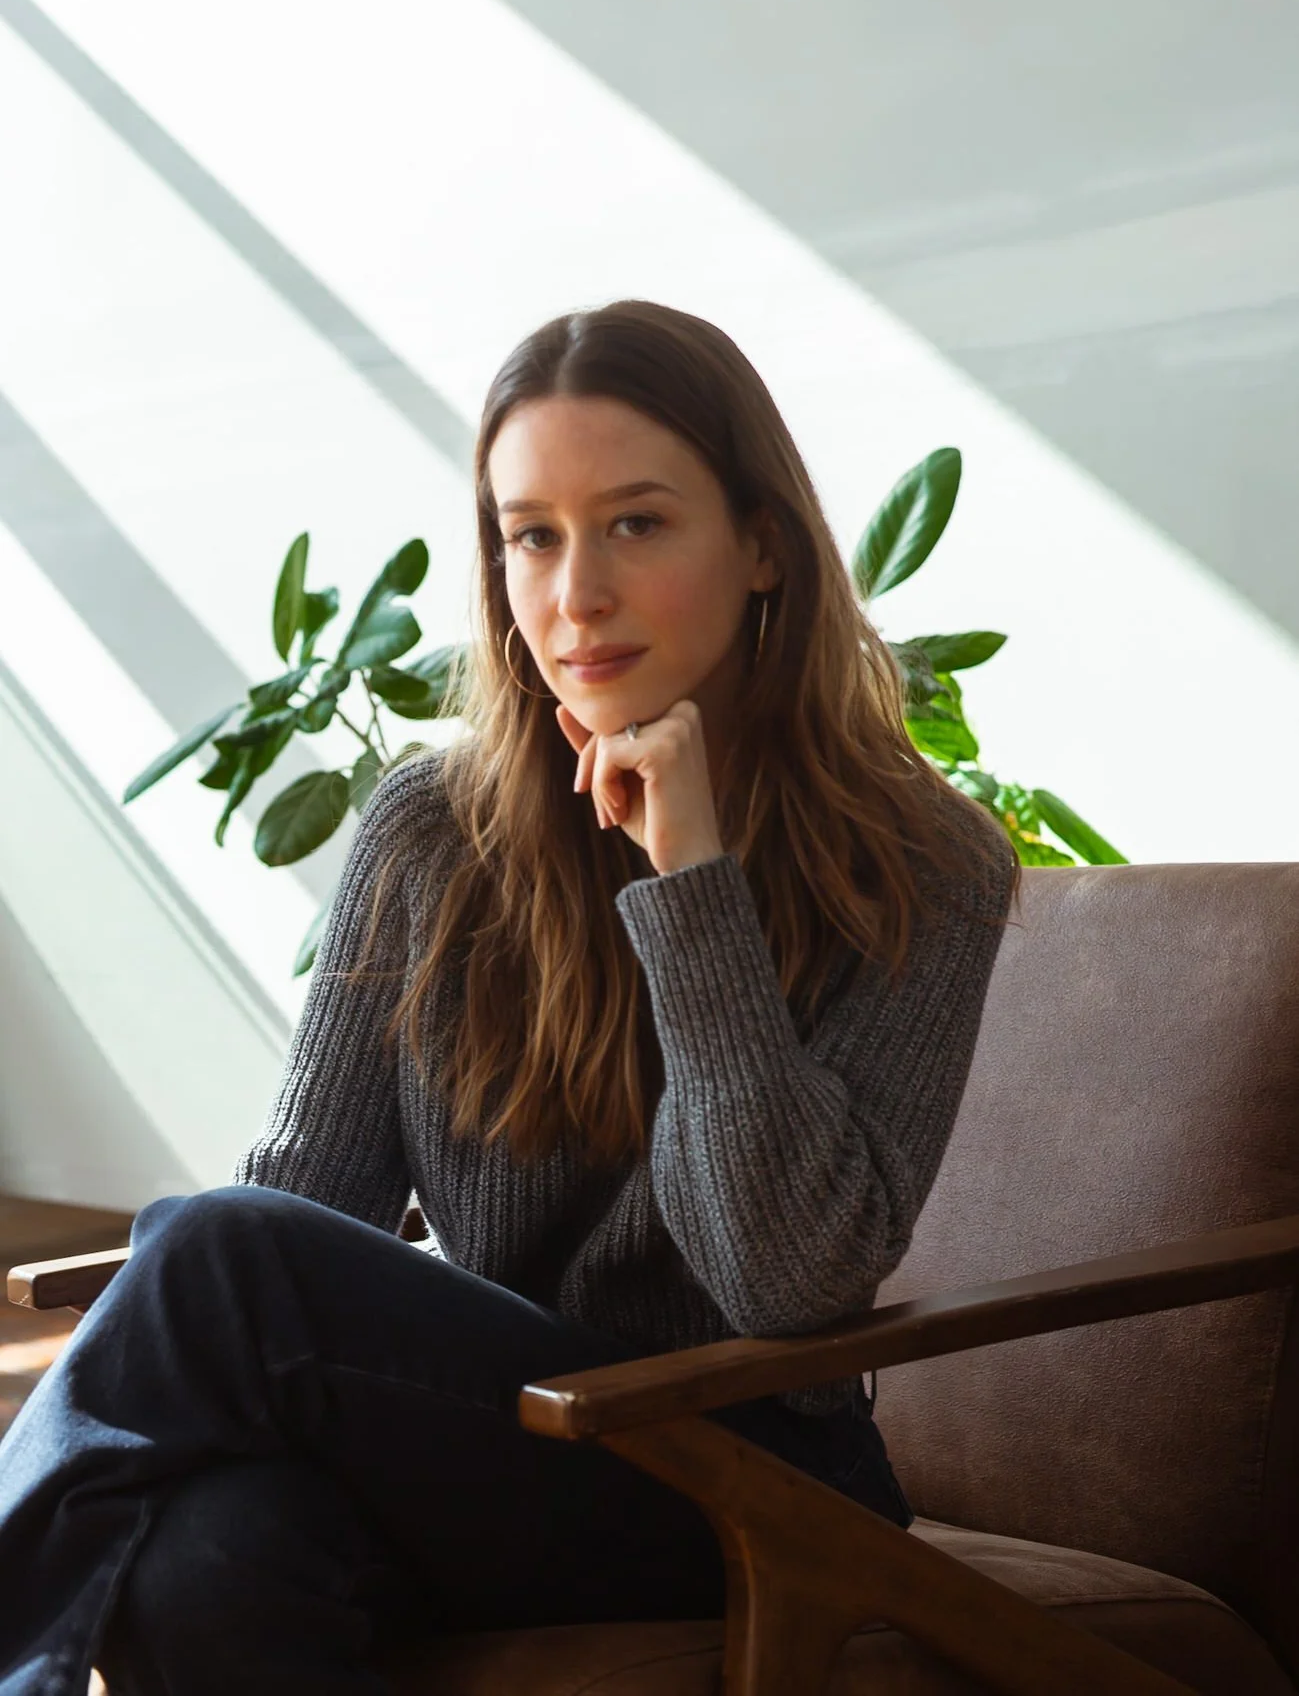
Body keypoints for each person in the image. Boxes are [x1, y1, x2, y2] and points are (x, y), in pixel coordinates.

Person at [0, 299, 1020, 1694]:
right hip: (504, 1441)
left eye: (636, 524)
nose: (573, 593)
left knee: (219, 1254)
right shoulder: (431, 831)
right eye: (531, 533)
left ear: (763, 543)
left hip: (746, 1480)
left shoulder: (922, 859)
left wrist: (691, 883)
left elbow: (788, 1280)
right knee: (210, 1556)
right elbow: (313, 1198)